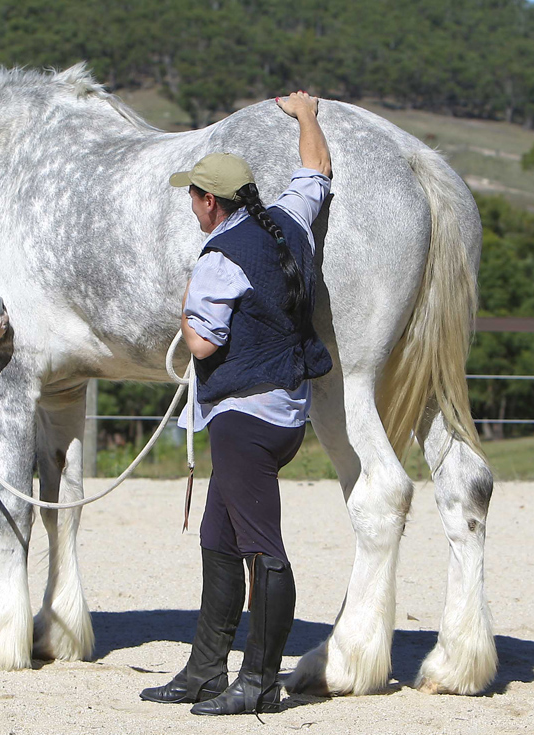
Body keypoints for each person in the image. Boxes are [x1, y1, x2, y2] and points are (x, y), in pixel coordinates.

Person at [140, 92, 333, 716]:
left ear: (209, 201)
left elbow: (201, 342)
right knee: (219, 536)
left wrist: (186, 299)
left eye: (193, 195)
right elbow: (316, 174)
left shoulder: (221, 257)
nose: (191, 205)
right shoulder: (287, 223)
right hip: (281, 412)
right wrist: (306, 115)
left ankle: (260, 684)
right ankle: (203, 671)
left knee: (262, 550)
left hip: (244, 418)